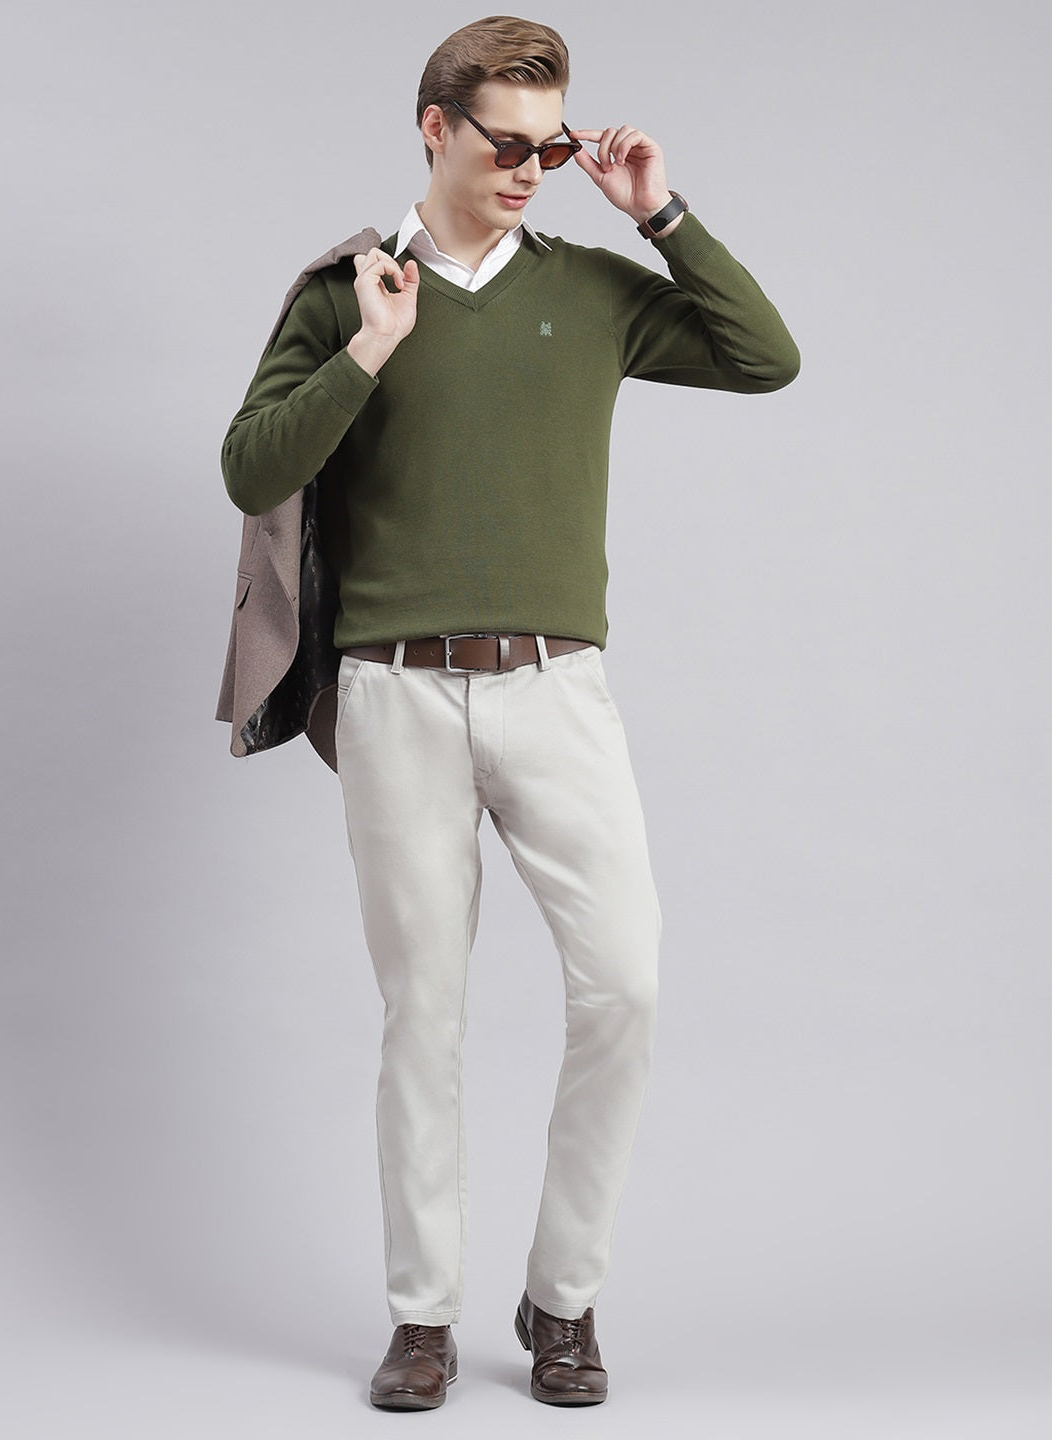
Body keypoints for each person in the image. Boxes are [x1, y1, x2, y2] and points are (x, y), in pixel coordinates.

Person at [217, 13, 799, 1411]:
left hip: (558, 690)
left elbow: (764, 356)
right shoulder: (352, 292)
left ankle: (563, 1297)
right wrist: (368, 350)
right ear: (435, 127)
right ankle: (422, 1316)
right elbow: (250, 471)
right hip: (396, 696)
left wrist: (659, 212)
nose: (534, 167)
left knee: (627, 986)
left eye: (553, 143)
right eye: (508, 142)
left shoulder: (592, 290)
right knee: (421, 1016)